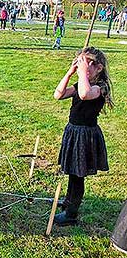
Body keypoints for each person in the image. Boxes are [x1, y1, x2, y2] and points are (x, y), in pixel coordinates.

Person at [53, 47, 113, 226]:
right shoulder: (82, 82)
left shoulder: (101, 87)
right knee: (72, 171)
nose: (81, 67)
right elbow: (59, 94)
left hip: (85, 136)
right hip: (73, 131)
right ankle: (69, 202)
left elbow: (85, 94)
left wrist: (83, 75)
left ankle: (71, 214)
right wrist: (70, 73)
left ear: (99, 68)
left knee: (78, 174)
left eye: (86, 64)